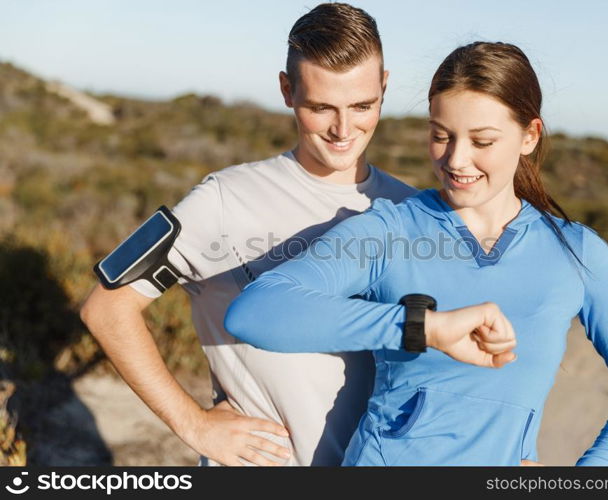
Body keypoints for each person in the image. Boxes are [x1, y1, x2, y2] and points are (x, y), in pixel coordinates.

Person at [225, 41, 608, 466]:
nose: (456, 160)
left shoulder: (576, 252)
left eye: (482, 141)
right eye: (442, 136)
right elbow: (255, 312)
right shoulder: (392, 229)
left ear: (529, 136)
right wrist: (423, 327)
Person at [80, 3, 424, 466]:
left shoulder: (412, 211)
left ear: (384, 85)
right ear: (286, 90)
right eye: (321, 107)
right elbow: (107, 308)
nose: (344, 129)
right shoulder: (222, 200)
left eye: (363, 105)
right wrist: (194, 424)